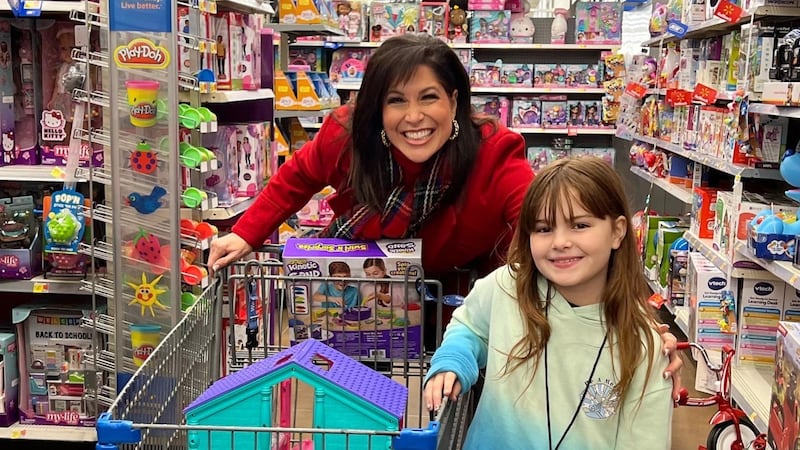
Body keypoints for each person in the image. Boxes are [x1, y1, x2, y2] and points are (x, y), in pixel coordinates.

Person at [206, 33, 683, 392]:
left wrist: (635, 319)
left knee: (461, 392)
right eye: (396, 101)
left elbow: (552, 223)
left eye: (429, 97)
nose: (414, 118)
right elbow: (296, 180)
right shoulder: (345, 137)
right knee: (362, 392)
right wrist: (245, 235)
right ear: (377, 109)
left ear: (454, 100)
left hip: (459, 293)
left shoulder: (493, 153)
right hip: (369, 281)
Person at [423, 157, 673, 449]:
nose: (560, 242)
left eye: (580, 225)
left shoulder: (643, 346)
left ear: (617, 231)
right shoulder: (507, 288)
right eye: (543, 229)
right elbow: (470, 326)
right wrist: (453, 360)